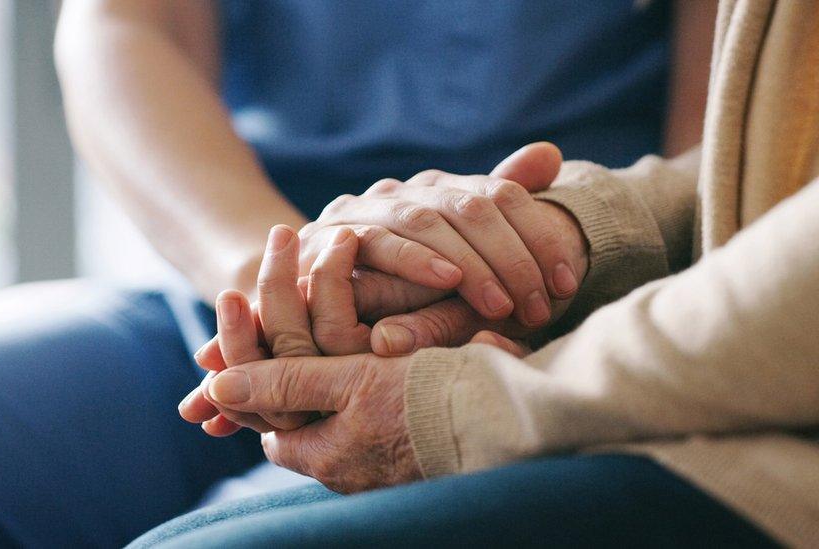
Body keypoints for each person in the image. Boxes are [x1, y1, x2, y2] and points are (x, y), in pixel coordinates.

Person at [0, 0, 714, 546]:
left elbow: (722, 155)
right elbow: (125, 26)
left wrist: (548, 295)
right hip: (225, 289)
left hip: (541, 329)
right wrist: (280, 283)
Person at [136, 0, 819, 546]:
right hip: (282, 286)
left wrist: (471, 402)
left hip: (740, 422)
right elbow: (762, 163)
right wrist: (575, 230)